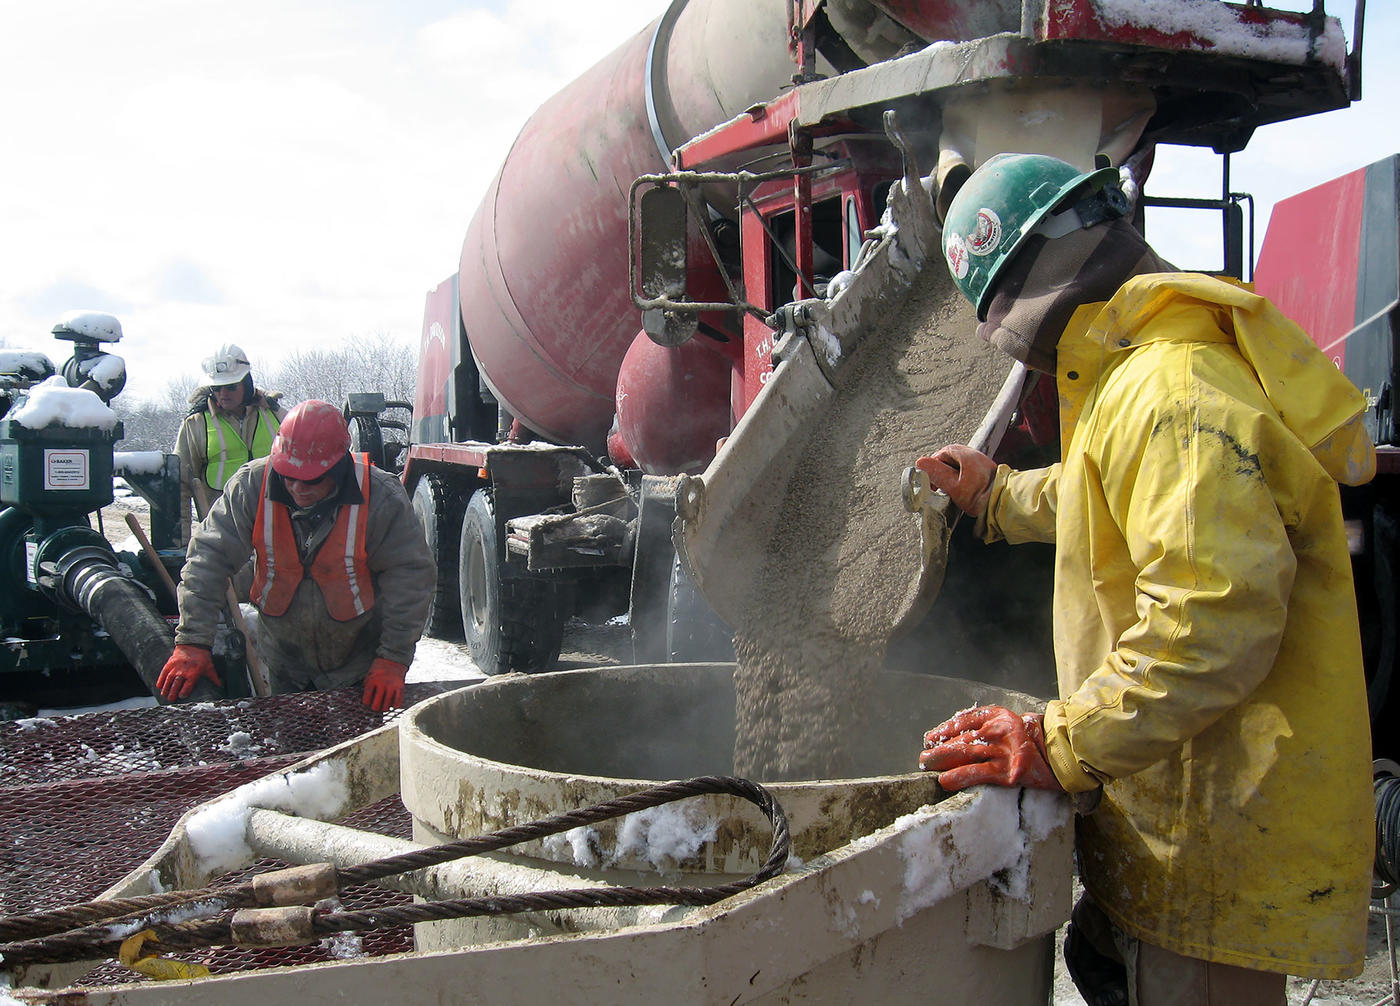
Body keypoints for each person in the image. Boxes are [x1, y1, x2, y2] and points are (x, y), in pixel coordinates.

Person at [915, 153, 1376, 1004]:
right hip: (1175, 799)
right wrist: (996, 494)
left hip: (1213, 826)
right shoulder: (1144, 372)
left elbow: (1210, 624)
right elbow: (1101, 489)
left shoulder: (1175, 394)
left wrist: (1055, 742)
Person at [157, 399, 435, 711]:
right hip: (284, 660)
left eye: (311, 479)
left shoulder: (381, 496)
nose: (297, 487)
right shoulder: (250, 486)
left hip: (357, 662)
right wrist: (193, 641)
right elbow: (207, 560)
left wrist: (392, 660)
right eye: (288, 474)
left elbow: (410, 578)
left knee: (354, 755)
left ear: (340, 465)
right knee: (289, 750)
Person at [175, 344, 285, 543]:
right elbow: (180, 487)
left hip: (275, 530)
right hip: (223, 536)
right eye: (217, 388)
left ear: (247, 384)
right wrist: (180, 543)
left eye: (231, 386)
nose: (223, 393)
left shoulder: (275, 415)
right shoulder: (196, 424)